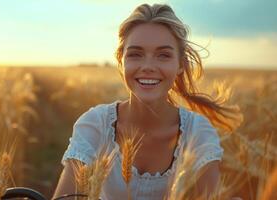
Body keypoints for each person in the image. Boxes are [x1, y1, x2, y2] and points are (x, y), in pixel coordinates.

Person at [53, 3, 242, 200]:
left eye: (163, 55)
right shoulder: (95, 124)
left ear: (180, 65)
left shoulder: (198, 133)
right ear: (121, 61)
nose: (148, 66)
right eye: (135, 54)